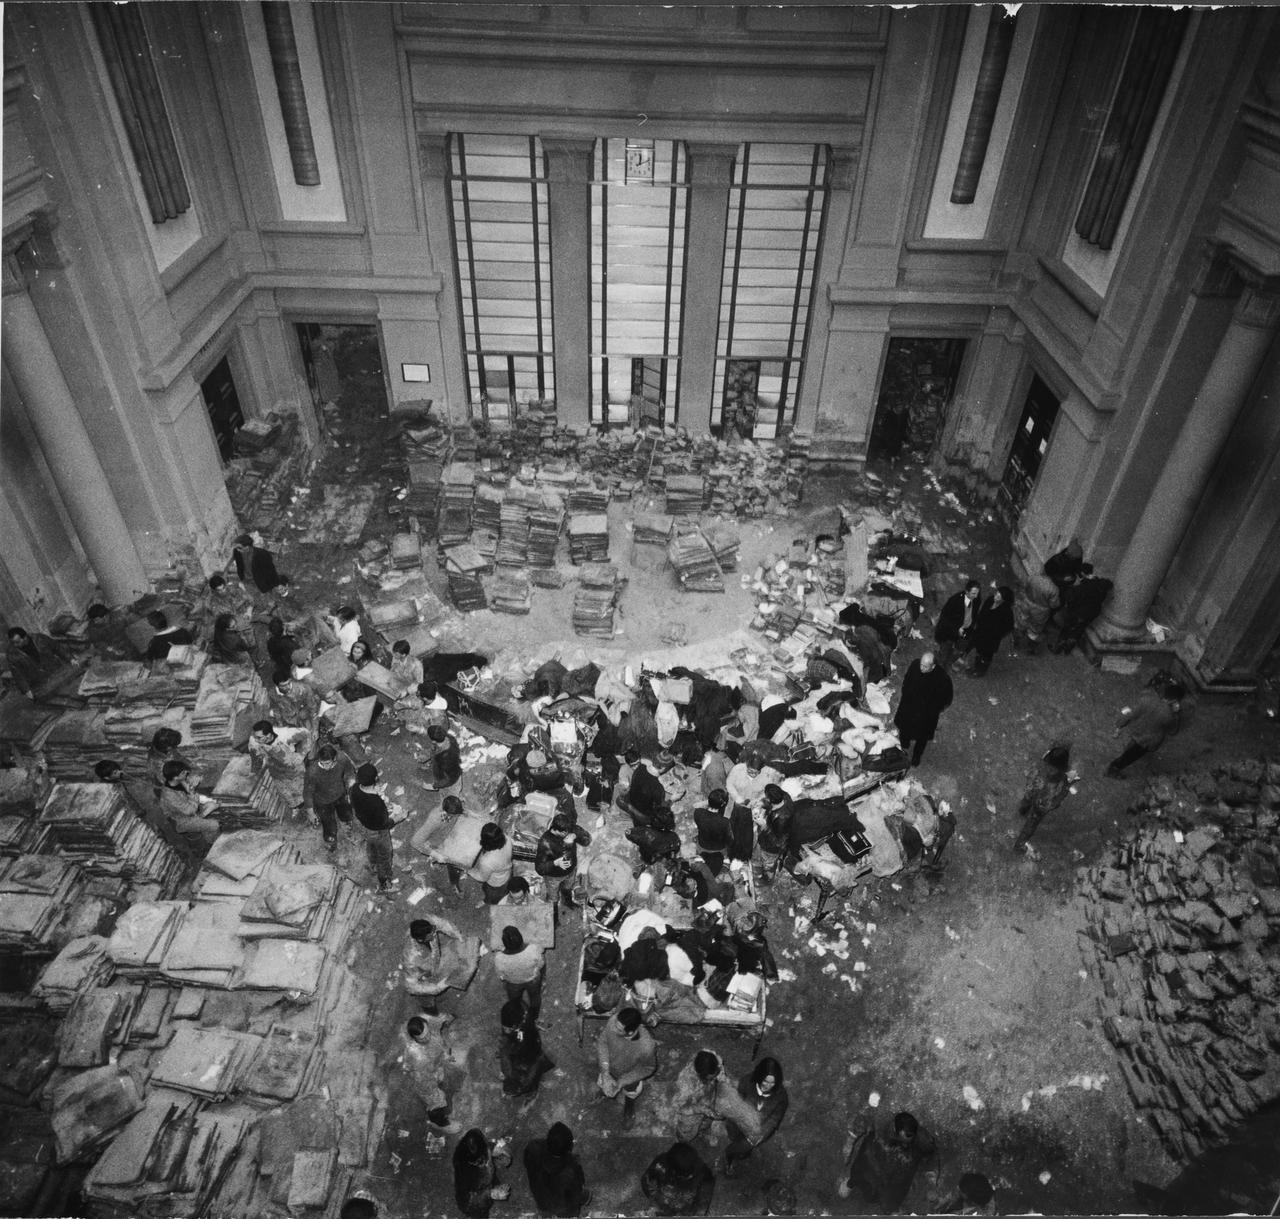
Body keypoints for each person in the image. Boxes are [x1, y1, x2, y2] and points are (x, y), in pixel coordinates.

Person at [839, 1110, 939, 1212]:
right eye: (903, 1141)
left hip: (900, 1167)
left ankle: (890, 1207)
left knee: (889, 1199)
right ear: (895, 1129)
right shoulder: (882, 1124)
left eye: (909, 1142)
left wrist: (931, 1183)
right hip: (876, 1152)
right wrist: (850, 1142)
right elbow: (863, 1118)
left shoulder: (924, 1139)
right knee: (862, 1165)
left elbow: (933, 1158)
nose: (906, 1145)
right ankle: (851, 1183)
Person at [671, 1049, 762, 1144]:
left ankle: (704, 1130)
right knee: (687, 1132)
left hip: (706, 1096)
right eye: (711, 1077)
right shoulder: (685, 1084)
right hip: (690, 1106)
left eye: (716, 1073)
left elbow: (721, 1076)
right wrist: (701, 1109)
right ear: (701, 1076)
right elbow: (679, 1107)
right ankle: (681, 1141)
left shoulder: (714, 1060)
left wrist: (734, 1087)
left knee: (707, 1120)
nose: (715, 1077)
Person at [724, 1057, 789, 1175]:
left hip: (756, 1132)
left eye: (772, 1082)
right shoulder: (747, 1082)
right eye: (765, 1081)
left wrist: (755, 1138)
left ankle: (742, 1154)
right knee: (734, 1137)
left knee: (742, 1149)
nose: (768, 1086)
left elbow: (774, 1120)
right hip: (738, 1123)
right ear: (759, 1076)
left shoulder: (781, 1097)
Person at [400, 1014, 462, 1134]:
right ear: (414, 1038)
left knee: (444, 1080)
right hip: (424, 1078)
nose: (428, 1038)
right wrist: (436, 1092)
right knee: (437, 1101)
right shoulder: (419, 1059)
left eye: (428, 1033)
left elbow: (438, 1021)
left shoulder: (428, 1025)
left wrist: (444, 1057)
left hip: (434, 1066)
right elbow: (425, 1083)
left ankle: (439, 1079)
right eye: (422, 1038)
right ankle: (439, 1124)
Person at [596, 1006, 658, 1128]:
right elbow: (602, 1042)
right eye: (614, 1024)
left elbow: (647, 1068)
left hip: (629, 1075)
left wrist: (622, 1082)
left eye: (618, 1029)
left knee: (630, 1093)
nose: (612, 1029)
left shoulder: (646, 1046)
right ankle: (604, 1090)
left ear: (630, 1032)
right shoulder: (614, 1021)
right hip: (610, 1067)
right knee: (605, 1082)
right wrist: (605, 1072)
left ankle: (629, 1108)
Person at [1106, 682, 1184, 778]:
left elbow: (1129, 713)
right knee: (1130, 757)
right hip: (1147, 741)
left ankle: (1122, 757)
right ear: (1175, 700)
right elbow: (1173, 731)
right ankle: (1114, 769)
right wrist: (1177, 714)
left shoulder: (1146, 699)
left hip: (1136, 730)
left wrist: (1118, 726)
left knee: (1131, 747)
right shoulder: (1169, 716)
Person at [402, 917, 479, 1013]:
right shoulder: (411, 958)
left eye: (434, 931)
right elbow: (411, 986)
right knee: (425, 998)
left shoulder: (427, 923)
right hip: (423, 974)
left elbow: (443, 924)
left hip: (433, 962)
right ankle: (432, 1014)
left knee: (450, 959)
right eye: (431, 935)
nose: (435, 934)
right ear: (421, 940)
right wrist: (438, 987)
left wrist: (457, 935)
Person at [892, 651, 954, 767]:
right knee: (904, 729)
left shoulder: (943, 679)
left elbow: (946, 700)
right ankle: (904, 743)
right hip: (909, 708)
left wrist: (934, 710)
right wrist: (906, 694)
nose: (921, 668)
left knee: (922, 737)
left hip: (925, 716)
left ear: (933, 666)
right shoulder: (915, 665)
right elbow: (907, 679)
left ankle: (916, 756)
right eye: (921, 664)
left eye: (925, 667)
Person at [350, 762, 401, 893]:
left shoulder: (354, 789)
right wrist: (398, 817)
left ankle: (373, 866)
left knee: (371, 847)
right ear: (376, 779)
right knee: (384, 856)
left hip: (364, 826)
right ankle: (385, 884)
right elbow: (384, 824)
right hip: (378, 831)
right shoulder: (376, 802)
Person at [523, 1121, 590, 1218]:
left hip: (542, 1201)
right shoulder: (570, 1171)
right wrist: (586, 1196)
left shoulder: (533, 1148)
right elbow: (577, 1195)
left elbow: (528, 1160)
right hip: (563, 1210)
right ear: (569, 1148)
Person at [1013, 744, 1071, 850]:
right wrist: (1053, 804)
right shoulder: (1063, 778)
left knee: (1024, 806)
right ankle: (1019, 844)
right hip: (1044, 804)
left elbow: (1030, 777)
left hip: (1031, 794)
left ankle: (1021, 813)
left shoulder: (1040, 767)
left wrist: (1029, 788)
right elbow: (1062, 793)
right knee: (1031, 823)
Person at [157, 760, 221, 852]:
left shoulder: (178, 781)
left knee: (213, 804)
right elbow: (190, 810)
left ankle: (205, 832)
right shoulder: (169, 796)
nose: (186, 773)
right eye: (183, 772)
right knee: (214, 825)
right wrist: (192, 791)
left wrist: (196, 780)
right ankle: (214, 845)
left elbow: (192, 779)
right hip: (181, 821)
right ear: (175, 777)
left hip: (190, 811)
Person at [303, 741, 355, 851]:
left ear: (335, 759)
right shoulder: (312, 771)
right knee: (328, 823)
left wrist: (351, 790)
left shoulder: (342, 759)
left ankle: (348, 829)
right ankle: (330, 840)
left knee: (347, 815)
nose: (325, 767)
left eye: (328, 763)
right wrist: (310, 812)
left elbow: (350, 773)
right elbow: (307, 792)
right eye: (323, 763)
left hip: (340, 794)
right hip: (322, 801)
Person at [498, 999, 555, 1098]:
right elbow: (505, 1055)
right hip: (522, 1056)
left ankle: (531, 1092)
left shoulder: (523, 1079)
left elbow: (505, 1055)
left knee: (528, 1048)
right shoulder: (522, 1079)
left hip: (525, 1055)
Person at [641, 1141, 716, 1216]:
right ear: (673, 1171)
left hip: (686, 1207)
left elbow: (703, 1201)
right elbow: (647, 1183)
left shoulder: (702, 1172)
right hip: (665, 1198)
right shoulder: (660, 1165)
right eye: (687, 1175)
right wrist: (659, 1203)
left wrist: (690, 1214)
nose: (690, 1175)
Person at [247, 719, 307, 809]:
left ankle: (304, 806)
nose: (256, 740)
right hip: (276, 771)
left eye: (259, 738)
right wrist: (254, 771)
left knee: (300, 791)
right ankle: (294, 808)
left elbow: (306, 734)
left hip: (293, 768)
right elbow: (256, 757)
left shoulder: (286, 735)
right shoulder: (254, 740)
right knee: (285, 793)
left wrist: (302, 754)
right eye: (255, 737)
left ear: (269, 735)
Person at [453, 1129, 511, 1219]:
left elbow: (504, 1160)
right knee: (480, 1213)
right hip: (476, 1197)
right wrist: (490, 1193)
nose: (486, 1162)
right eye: (480, 1162)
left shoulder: (477, 1149)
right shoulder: (463, 1172)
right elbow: (466, 1202)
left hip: (487, 1180)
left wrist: (502, 1151)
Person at [535, 812, 589, 907]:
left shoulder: (568, 828)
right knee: (553, 898)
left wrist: (575, 835)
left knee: (567, 889)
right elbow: (540, 868)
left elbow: (587, 840)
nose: (567, 834)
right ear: (555, 829)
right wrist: (555, 863)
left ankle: (567, 902)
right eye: (565, 833)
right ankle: (554, 914)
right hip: (554, 877)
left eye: (568, 832)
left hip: (570, 871)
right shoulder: (545, 842)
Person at [1051, 576, 1113, 655]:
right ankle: (1068, 649)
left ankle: (1057, 648)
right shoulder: (1103, 593)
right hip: (1090, 615)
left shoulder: (1087, 587)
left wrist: (1070, 608)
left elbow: (1072, 596)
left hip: (1077, 613)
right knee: (1077, 631)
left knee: (1067, 629)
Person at [493, 925, 545, 1016]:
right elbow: (541, 964)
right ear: (521, 938)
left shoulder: (499, 958)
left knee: (514, 1000)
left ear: (504, 943)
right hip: (532, 980)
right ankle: (534, 1015)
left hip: (513, 983)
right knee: (535, 996)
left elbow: (500, 976)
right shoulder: (533, 949)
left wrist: (502, 950)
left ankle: (517, 1012)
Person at [6, 626, 69, 696]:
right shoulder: (12, 654)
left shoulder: (39, 638)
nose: (15, 645)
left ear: (25, 637)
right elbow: (17, 674)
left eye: (17, 642)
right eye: (13, 643)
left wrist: (71, 659)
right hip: (39, 682)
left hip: (56, 671)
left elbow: (57, 647)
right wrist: (26, 690)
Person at [966, 586, 1015, 676]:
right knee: (978, 648)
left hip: (990, 639)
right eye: (996, 593)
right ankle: (977, 664)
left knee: (986, 655)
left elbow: (1009, 627)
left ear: (1004, 600)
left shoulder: (1006, 612)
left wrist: (998, 634)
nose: (995, 596)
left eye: (998, 596)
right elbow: (982, 612)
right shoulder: (990, 600)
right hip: (980, 631)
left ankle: (980, 671)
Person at [934, 580, 980, 668]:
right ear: (967, 592)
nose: (976, 596)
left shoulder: (976, 600)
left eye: (977, 593)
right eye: (974, 593)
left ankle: (948, 663)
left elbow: (974, 614)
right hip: (950, 633)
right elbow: (944, 618)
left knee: (958, 651)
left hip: (965, 633)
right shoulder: (955, 601)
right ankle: (940, 666)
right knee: (944, 651)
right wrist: (957, 629)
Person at [470, 822, 513, 904]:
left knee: (491, 896)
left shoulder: (487, 860)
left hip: (496, 883)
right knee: (502, 891)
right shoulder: (507, 839)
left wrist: (469, 871)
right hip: (507, 874)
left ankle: (486, 902)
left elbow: (482, 878)